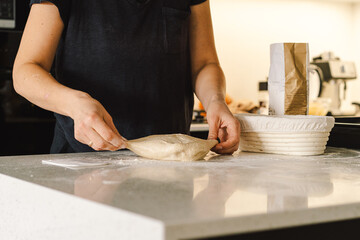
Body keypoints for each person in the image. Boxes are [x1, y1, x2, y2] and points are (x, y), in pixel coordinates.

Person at [13, 0, 240, 154]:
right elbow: (25, 71)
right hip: (82, 164)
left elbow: (205, 64)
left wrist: (215, 101)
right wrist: (75, 104)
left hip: (171, 164)